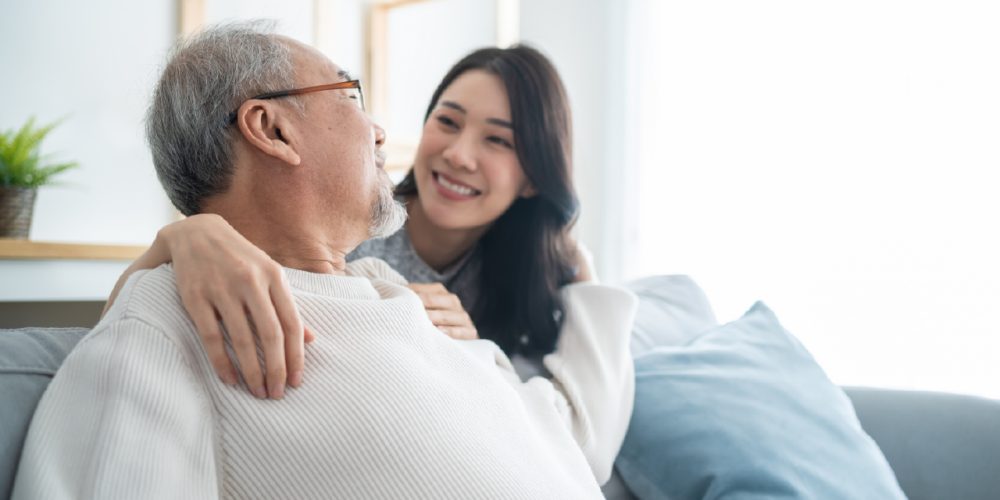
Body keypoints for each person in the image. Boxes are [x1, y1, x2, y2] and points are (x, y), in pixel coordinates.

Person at [13, 22, 636, 499]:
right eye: (350, 94)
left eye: (499, 140)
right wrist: (176, 245)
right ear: (272, 129)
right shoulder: (171, 322)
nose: (381, 131)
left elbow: (565, 441)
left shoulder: (394, 295)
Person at [107, 42, 600, 401]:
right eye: (447, 122)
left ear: (535, 176)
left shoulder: (544, 271)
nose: (458, 155)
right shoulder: (343, 230)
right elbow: (116, 337)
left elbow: (562, 431)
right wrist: (182, 236)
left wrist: (478, 355)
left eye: (498, 140)